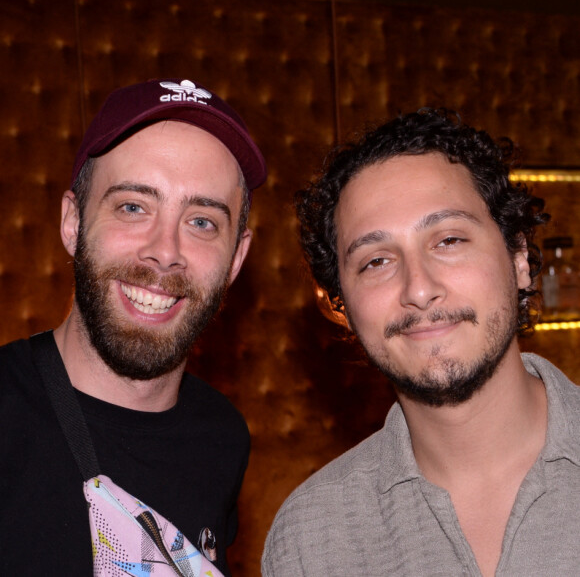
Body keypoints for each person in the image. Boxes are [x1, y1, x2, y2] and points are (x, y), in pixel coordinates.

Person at [262, 108, 580, 576]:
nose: (418, 288)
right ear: (343, 305)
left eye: (449, 240)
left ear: (518, 258)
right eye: (376, 261)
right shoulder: (311, 537)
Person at [0, 78, 266, 575]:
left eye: (202, 222)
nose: (166, 250)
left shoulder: (222, 437)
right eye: (133, 207)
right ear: (72, 223)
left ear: (236, 258)